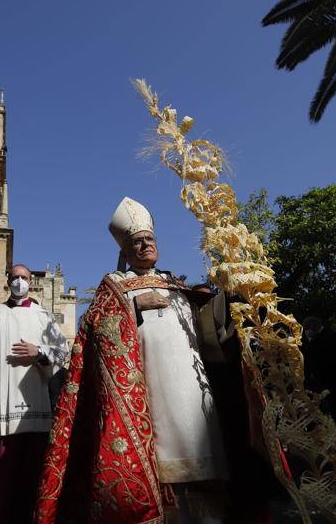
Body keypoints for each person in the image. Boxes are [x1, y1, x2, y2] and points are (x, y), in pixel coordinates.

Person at [37, 198, 275, 524]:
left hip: (192, 392)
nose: (145, 244)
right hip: (146, 394)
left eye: (150, 239)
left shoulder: (176, 284)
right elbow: (93, 332)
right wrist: (132, 309)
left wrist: (232, 297)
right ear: (124, 251)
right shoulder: (115, 287)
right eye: (137, 240)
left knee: (203, 466)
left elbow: (209, 330)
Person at [0, 264, 69, 524]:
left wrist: (40, 352)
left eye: (24, 278)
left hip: (36, 413)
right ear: (7, 281)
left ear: (31, 283)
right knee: (1, 482)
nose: (20, 282)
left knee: (31, 481)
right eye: (15, 277)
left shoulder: (44, 316)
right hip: (0, 413)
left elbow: (63, 352)